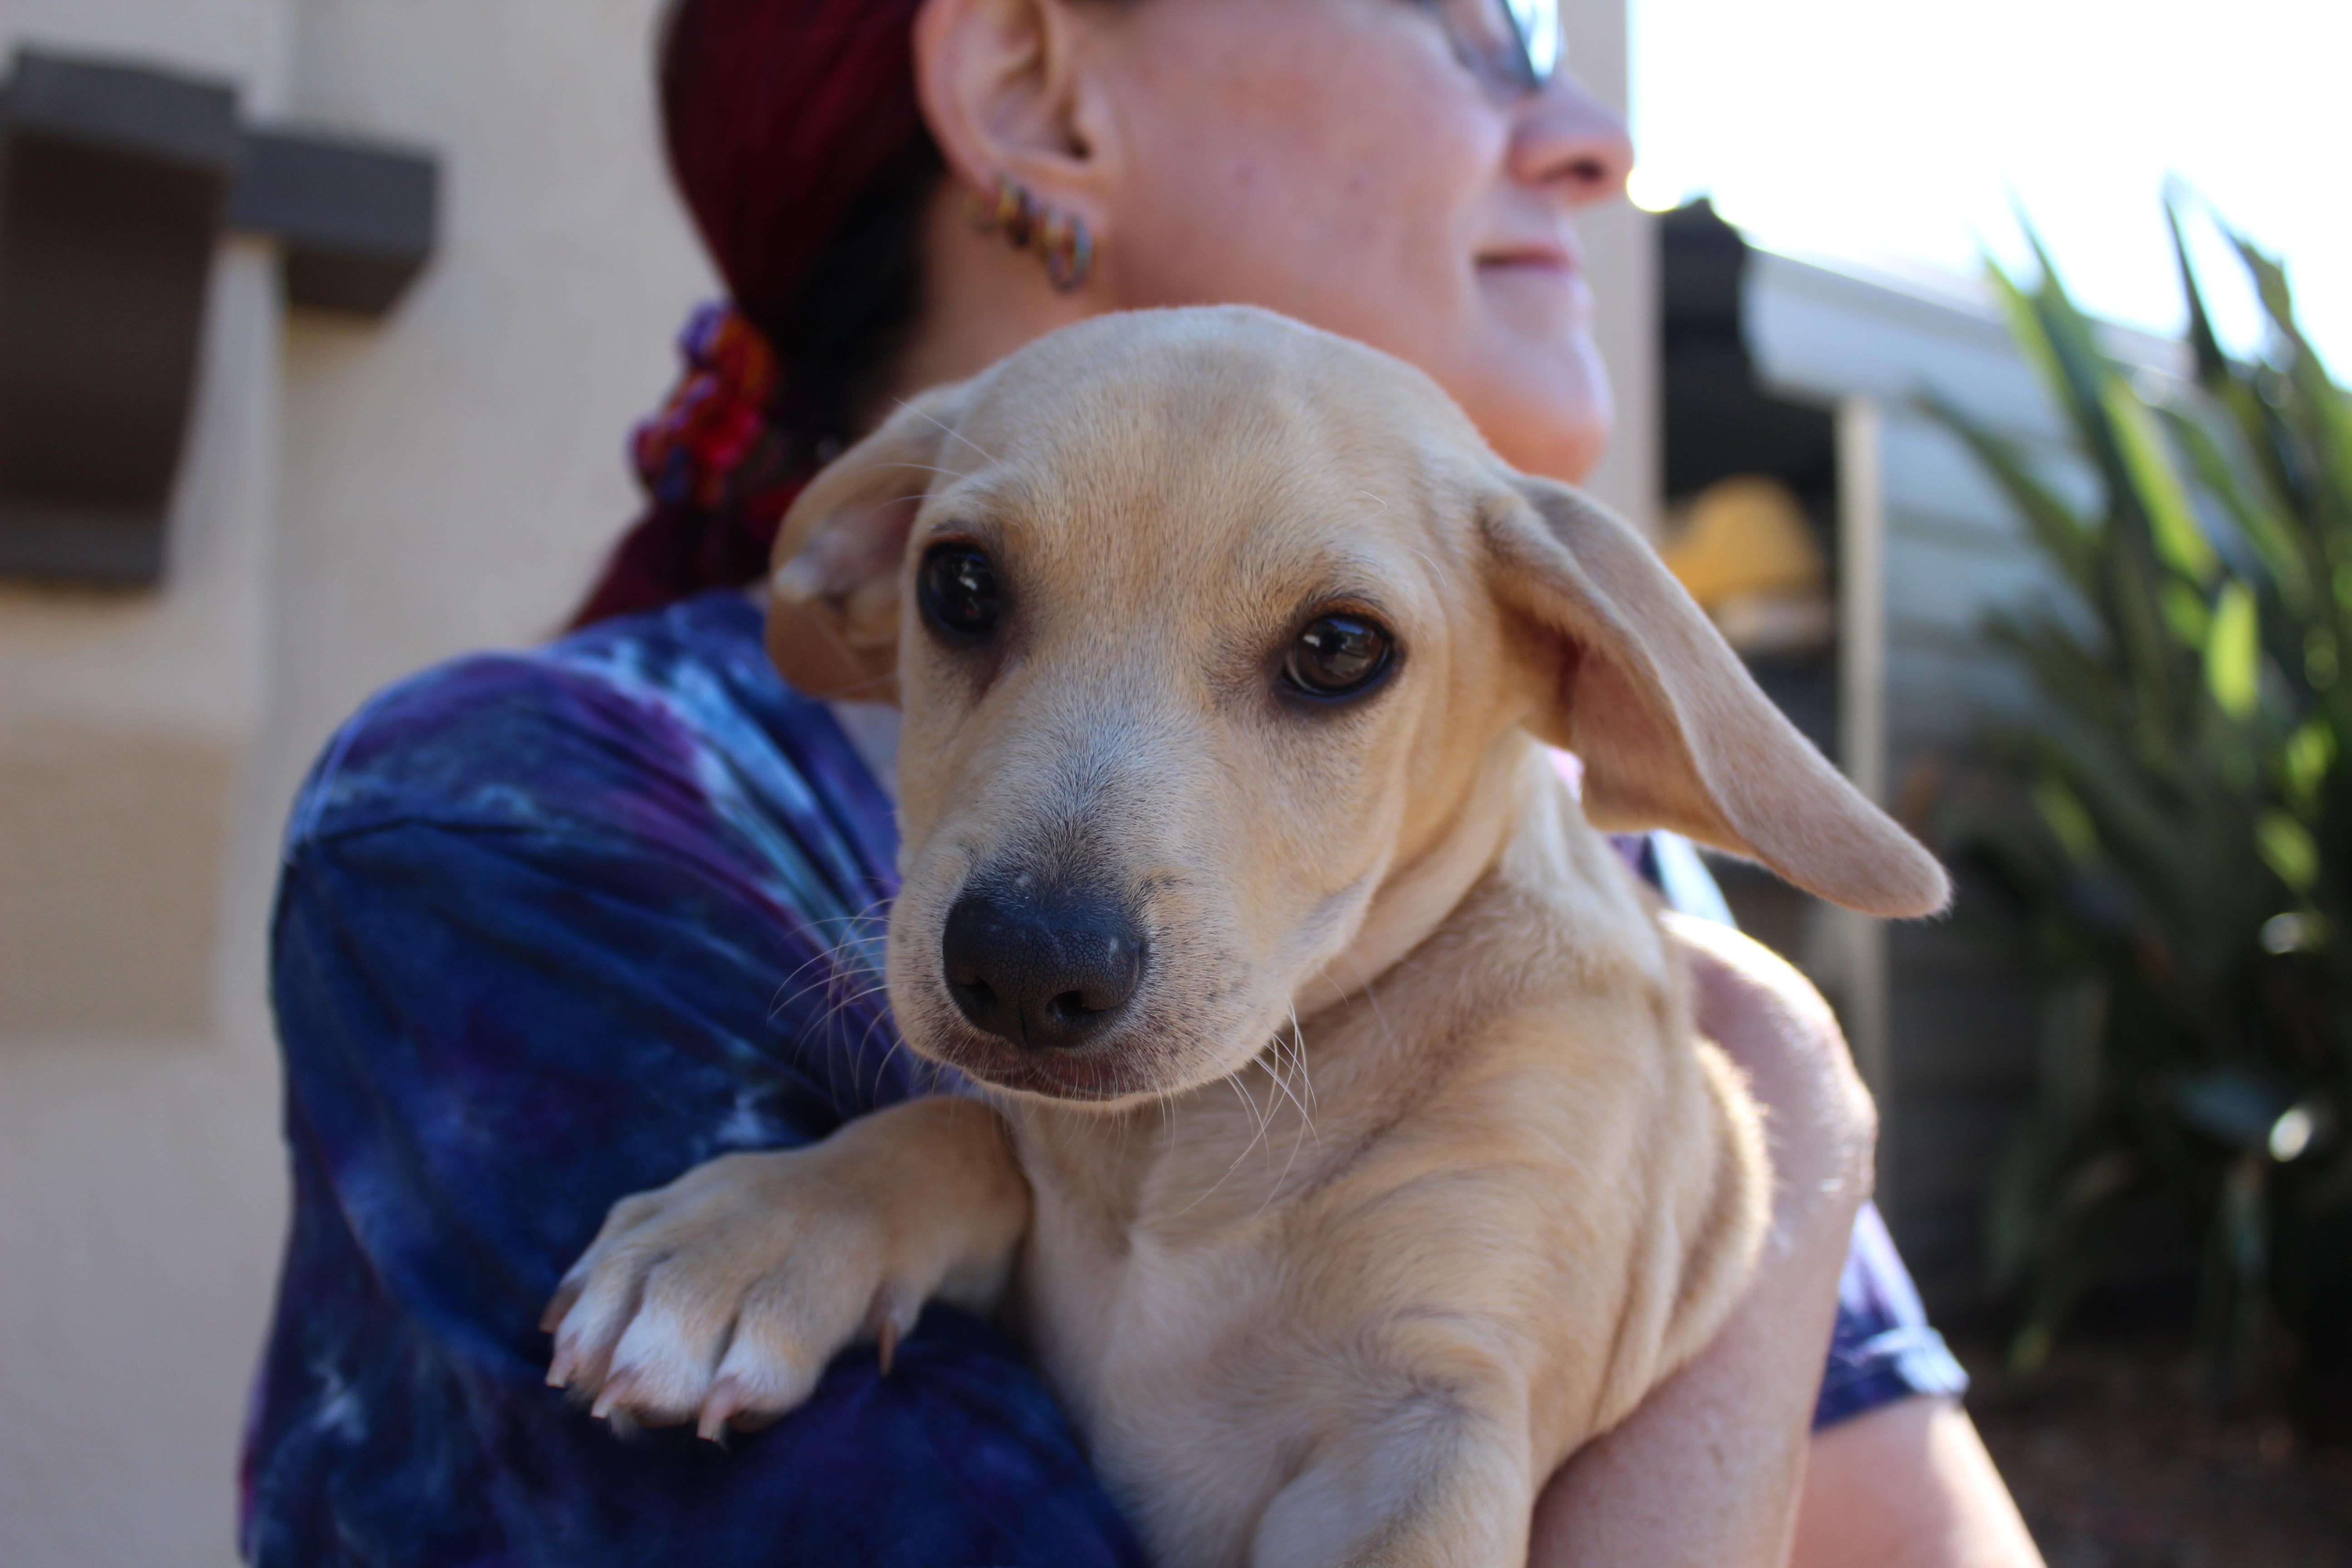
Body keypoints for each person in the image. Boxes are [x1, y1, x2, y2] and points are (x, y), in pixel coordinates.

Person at [241, 1, 2045, 1563]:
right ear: (1039, 90)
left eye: (1331, 655)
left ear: (1565, 669)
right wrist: (1793, 1114)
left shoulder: (1603, 894)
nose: (1591, 138)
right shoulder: (517, 823)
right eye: (1469, 25)